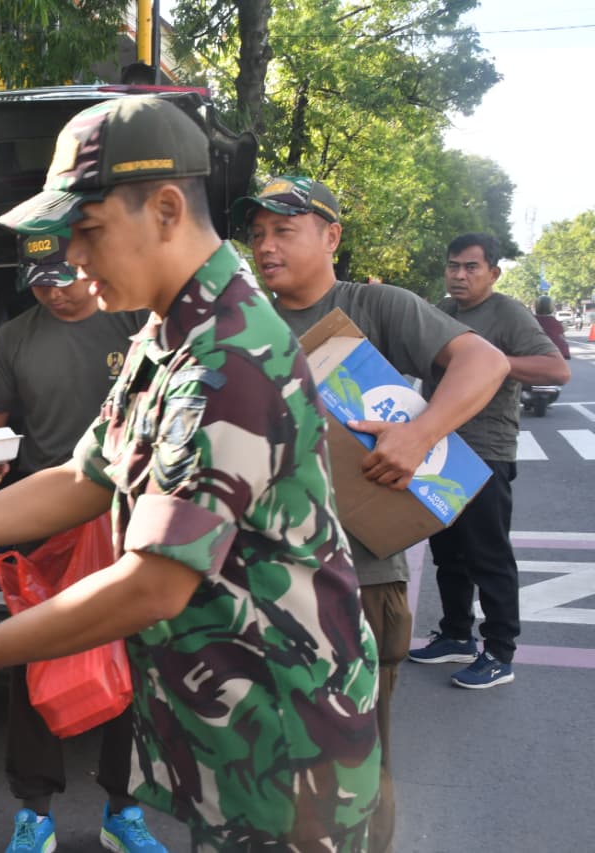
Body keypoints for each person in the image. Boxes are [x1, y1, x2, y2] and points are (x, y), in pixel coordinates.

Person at [0, 96, 382, 851]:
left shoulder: (228, 356)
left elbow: (156, 580)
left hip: (284, 742)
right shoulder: (167, 332)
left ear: (167, 208)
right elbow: (89, 476)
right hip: (228, 724)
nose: (72, 259)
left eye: (86, 230)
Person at [232, 176, 509, 853]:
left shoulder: (375, 307)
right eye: (258, 232)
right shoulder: (241, 324)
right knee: (257, 760)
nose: (266, 245)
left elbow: (485, 359)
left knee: (359, 763)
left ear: (332, 236)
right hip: (259, 579)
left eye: (284, 229)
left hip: (361, 578)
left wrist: (420, 432)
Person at [0, 233, 163, 853]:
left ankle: (125, 809)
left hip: (128, 519)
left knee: (134, 665)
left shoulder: (134, 322)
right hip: (46, 523)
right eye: (39, 281)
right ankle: (35, 811)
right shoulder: (15, 337)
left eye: (61, 277)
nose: (51, 291)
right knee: (36, 659)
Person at [408, 233, 570, 688]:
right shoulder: (443, 310)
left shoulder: (507, 313)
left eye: (471, 267)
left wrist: (492, 361)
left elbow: (557, 369)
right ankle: (457, 635)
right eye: (453, 266)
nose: (459, 275)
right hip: (440, 450)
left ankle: (500, 653)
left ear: (494, 273)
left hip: (485, 453)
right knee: (449, 555)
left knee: (488, 557)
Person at [532, 295, 571, 360]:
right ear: (551, 307)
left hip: (535, 352)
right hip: (558, 352)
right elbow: (561, 334)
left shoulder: (531, 320)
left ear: (536, 307)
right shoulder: (554, 322)